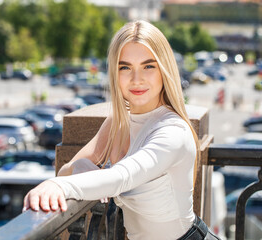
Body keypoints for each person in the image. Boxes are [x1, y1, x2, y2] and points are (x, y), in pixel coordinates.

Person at [23, 20, 220, 240]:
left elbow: (121, 177)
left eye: (149, 66)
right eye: (125, 67)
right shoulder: (119, 122)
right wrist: (80, 165)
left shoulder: (173, 131)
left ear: (164, 69)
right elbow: (66, 170)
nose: (137, 79)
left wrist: (56, 186)